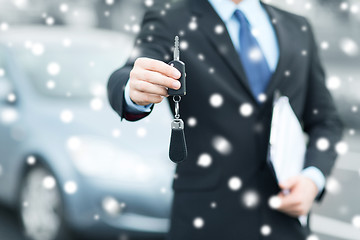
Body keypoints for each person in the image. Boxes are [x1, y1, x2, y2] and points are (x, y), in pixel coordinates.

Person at [107, 0, 343, 239]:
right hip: (207, 220)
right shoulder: (170, 18)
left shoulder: (298, 27)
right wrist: (132, 90)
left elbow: (326, 121)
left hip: (285, 221)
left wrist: (312, 179)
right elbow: (125, 75)